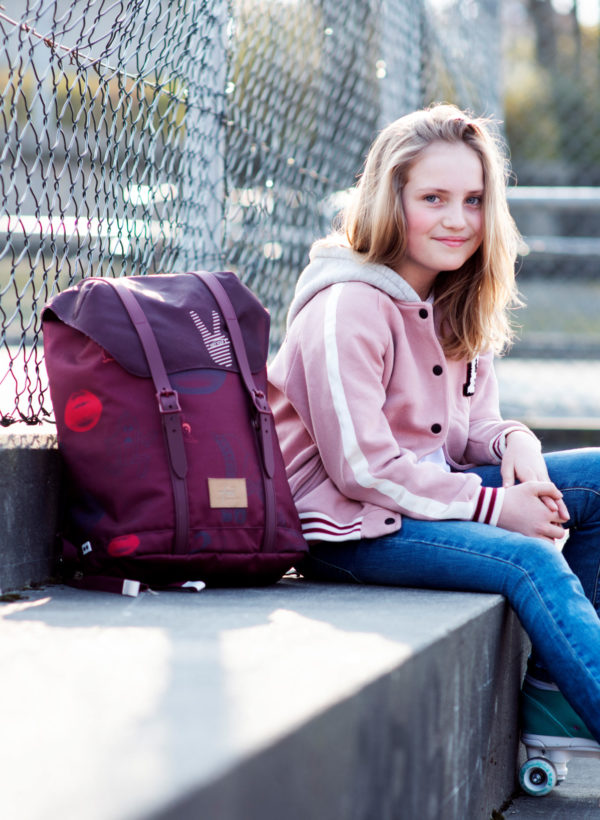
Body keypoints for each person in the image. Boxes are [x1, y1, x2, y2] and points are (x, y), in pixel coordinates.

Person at [267, 104, 600, 769]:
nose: (458, 220)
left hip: (424, 499)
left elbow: (469, 432)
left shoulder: (455, 296)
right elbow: (362, 468)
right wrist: (495, 506)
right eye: (433, 199)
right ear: (390, 200)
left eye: (473, 200)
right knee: (529, 560)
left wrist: (515, 443)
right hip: (348, 526)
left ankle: (556, 697)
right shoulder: (346, 306)